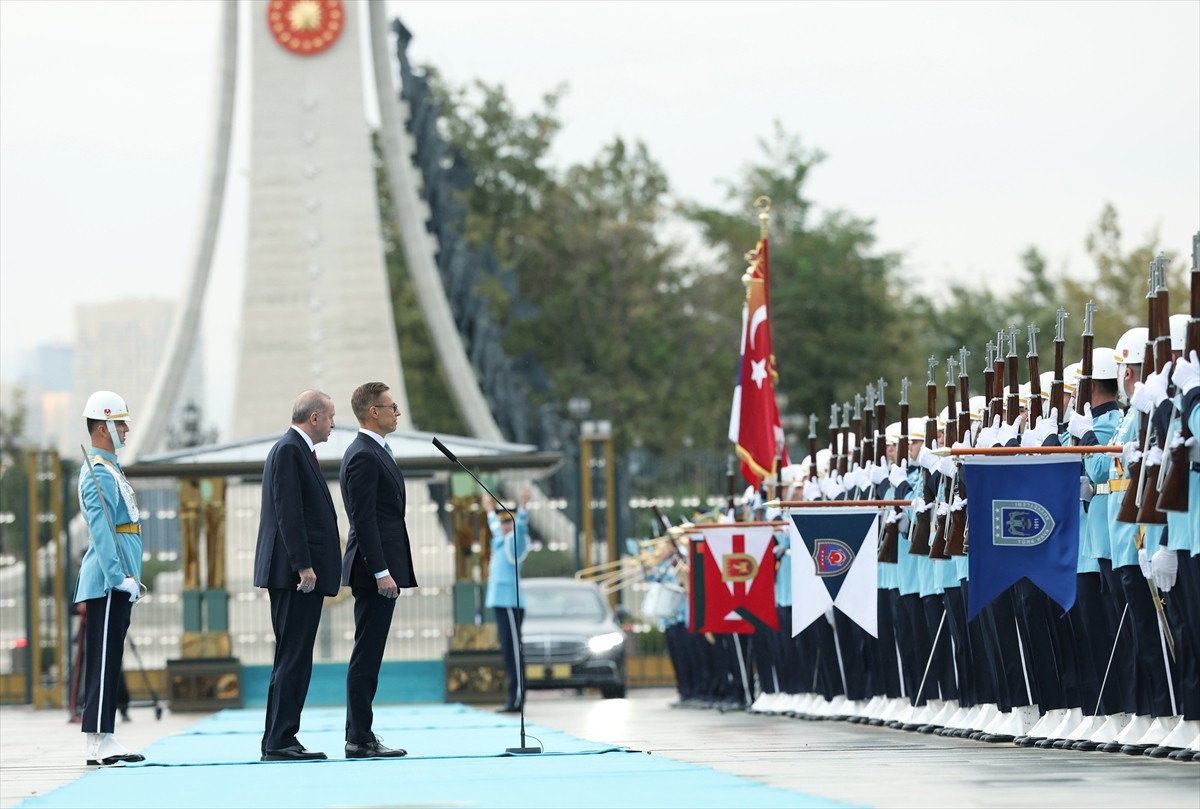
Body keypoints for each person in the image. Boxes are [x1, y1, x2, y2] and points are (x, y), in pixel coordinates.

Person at [253, 390, 341, 761]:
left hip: (294, 572)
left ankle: (277, 737)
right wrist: (303, 565)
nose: (335, 424)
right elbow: (289, 512)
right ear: (315, 418)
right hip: (294, 574)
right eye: (332, 417)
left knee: (292, 655)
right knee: (294, 656)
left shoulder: (296, 449)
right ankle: (281, 739)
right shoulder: (290, 449)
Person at [339, 382, 416, 759]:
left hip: (380, 568)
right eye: (392, 406)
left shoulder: (376, 451)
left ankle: (360, 732)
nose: (397, 412)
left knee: (370, 652)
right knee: (367, 654)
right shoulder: (364, 455)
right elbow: (364, 520)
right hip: (373, 571)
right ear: (373, 411)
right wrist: (381, 571)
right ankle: (360, 738)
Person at [75, 390, 145, 767]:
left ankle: (105, 737)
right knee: (103, 661)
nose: (126, 429)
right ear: (103, 427)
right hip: (107, 581)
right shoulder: (98, 472)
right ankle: (97, 741)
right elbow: (102, 531)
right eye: (119, 423)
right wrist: (118, 576)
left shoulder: (111, 468)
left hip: (120, 578)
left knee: (110, 658)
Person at [483, 488, 531, 713]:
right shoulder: (500, 541)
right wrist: (489, 510)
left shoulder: (516, 541)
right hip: (500, 601)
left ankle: (518, 697)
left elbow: (520, 527)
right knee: (507, 651)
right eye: (502, 523)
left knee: (514, 651)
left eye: (507, 523)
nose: (503, 526)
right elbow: (494, 527)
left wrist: (523, 507)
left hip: (511, 602)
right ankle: (513, 697)